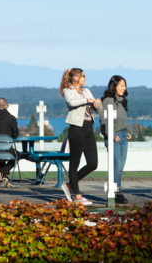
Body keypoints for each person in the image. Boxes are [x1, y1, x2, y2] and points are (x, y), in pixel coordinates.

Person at [60, 68, 101, 205]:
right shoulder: (68, 90)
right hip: (76, 128)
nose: (85, 79)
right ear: (76, 78)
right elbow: (72, 103)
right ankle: (77, 196)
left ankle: (70, 185)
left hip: (89, 128)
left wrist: (97, 103)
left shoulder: (86, 90)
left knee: (93, 163)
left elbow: (96, 109)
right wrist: (87, 100)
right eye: (83, 76)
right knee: (74, 163)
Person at [100, 76, 132, 204]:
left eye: (124, 85)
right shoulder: (108, 100)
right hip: (115, 137)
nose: (123, 88)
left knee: (120, 168)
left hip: (123, 135)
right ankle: (116, 192)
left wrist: (128, 131)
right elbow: (104, 120)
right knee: (116, 167)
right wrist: (112, 134)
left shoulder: (122, 100)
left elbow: (123, 120)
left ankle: (116, 190)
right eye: (120, 85)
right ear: (114, 86)